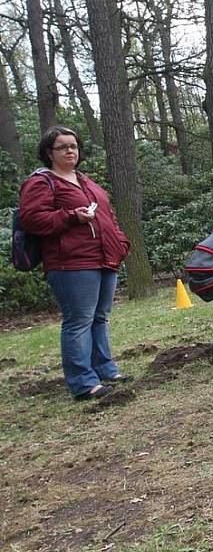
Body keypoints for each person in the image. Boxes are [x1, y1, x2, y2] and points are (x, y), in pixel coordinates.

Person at [19, 126, 132, 400]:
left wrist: (121, 242)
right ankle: (83, 382)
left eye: (74, 146)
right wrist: (71, 216)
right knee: (79, 320)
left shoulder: (86, 181)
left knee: (100, 318)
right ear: (49, 152)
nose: (70, 151)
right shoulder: (42, 182)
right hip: (70, 263)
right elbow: (32, 220)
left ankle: (105, 369)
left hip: (104, 258)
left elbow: (109, 216)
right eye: (62, 147)